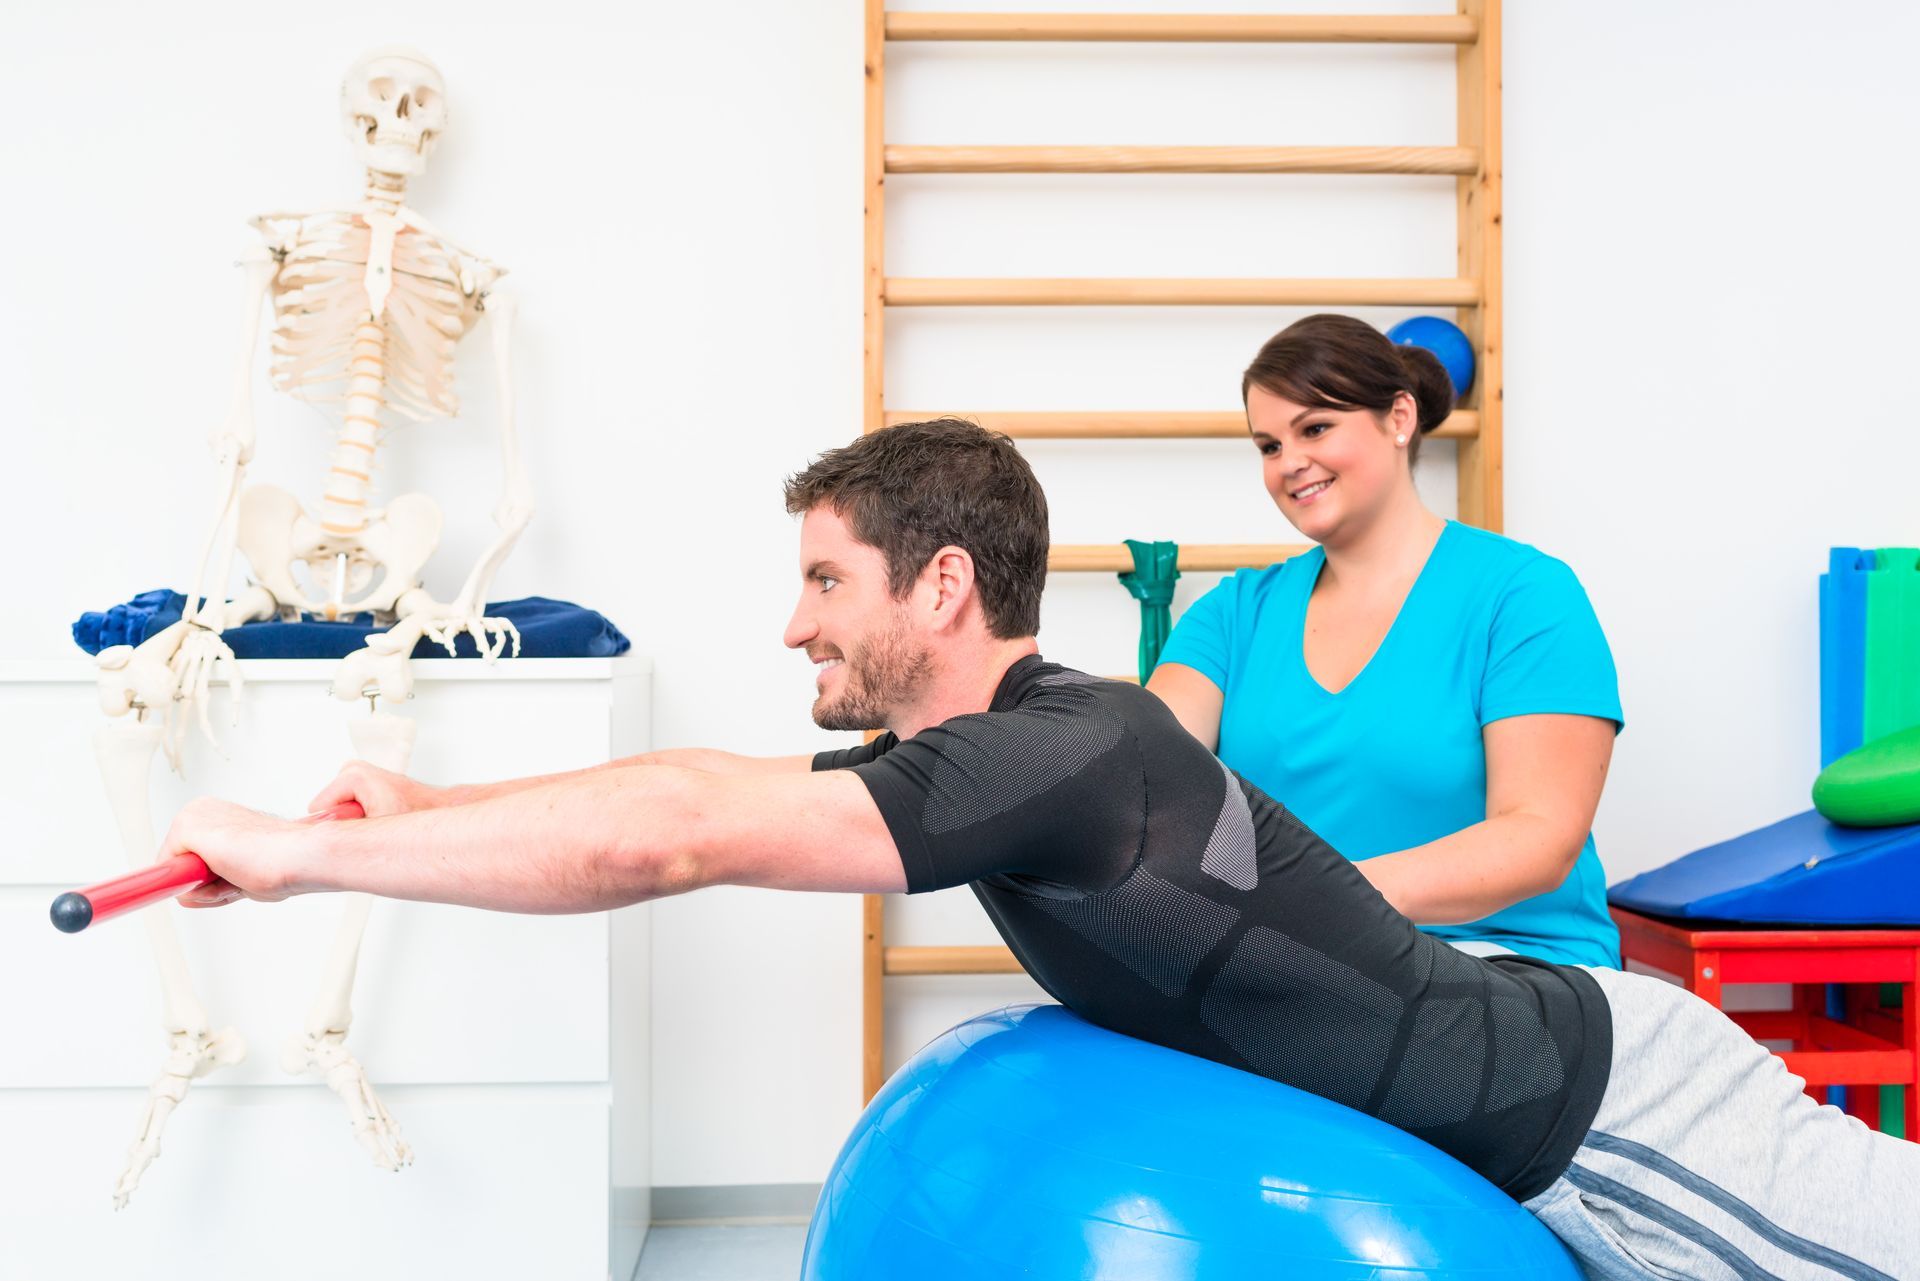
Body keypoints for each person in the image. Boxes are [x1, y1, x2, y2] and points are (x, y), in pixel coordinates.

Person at [165, 418, 1914, 1278]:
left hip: (1607, 1122)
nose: (793, 625)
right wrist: (428, 805)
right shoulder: (1006, 747)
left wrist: (301, 863)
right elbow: (707, 777)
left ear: (942, 587)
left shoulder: (1066, 755)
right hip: (1542, 1114)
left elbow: (681, 832)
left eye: (824, 583)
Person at [1150, 314, 1622, 967]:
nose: (1290, 463)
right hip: (1309, 966)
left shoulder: (1525, 596)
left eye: (1315, 428)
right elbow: (1145, 772)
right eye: (1269, 446)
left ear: (1399, 418)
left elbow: (1540, 838)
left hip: (1505, 962)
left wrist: (1318, 902)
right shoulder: (1232, 615)